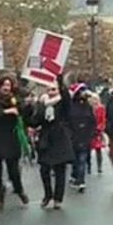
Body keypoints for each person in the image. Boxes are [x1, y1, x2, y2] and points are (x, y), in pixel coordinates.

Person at [0, 75, 29, 209]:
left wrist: (24, 104)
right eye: (4, 85)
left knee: (13, 169)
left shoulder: (15, 99)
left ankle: (19, 190)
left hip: (10, 137)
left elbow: (24, 112)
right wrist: (6, 111)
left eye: (8, 85)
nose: (6, 87)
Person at [31, 75, 74, 209]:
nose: (51, 92)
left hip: (60, 139)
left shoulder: (63, 102)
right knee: (44, 169)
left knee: (60, 170)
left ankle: (58, 198)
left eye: (54, 90)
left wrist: (60, 80)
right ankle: (47, 194)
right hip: (45, 140)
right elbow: (34, 121)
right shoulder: (42, 104)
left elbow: (66, 96)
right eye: (49, 90)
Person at [68, 83, 96, 193]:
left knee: (82, 159)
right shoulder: (71, 106)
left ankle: (81, 180)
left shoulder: (87, 106)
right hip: (74, 137)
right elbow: (67, 122)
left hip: (85, 137)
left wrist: (92, 133)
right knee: (75, 160)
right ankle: (75, 176)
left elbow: (92, 121)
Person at [88, 94, 106, 174]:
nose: (94, 100)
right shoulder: (88, 108)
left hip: (98, 131)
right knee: (87, 149)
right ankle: (88, 165)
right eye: (92, 99)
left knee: (98, 149)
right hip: (89, 131)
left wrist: (99, 128)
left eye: (95, 99)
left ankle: (99, 166)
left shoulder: (101, 108)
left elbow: (103, 119)